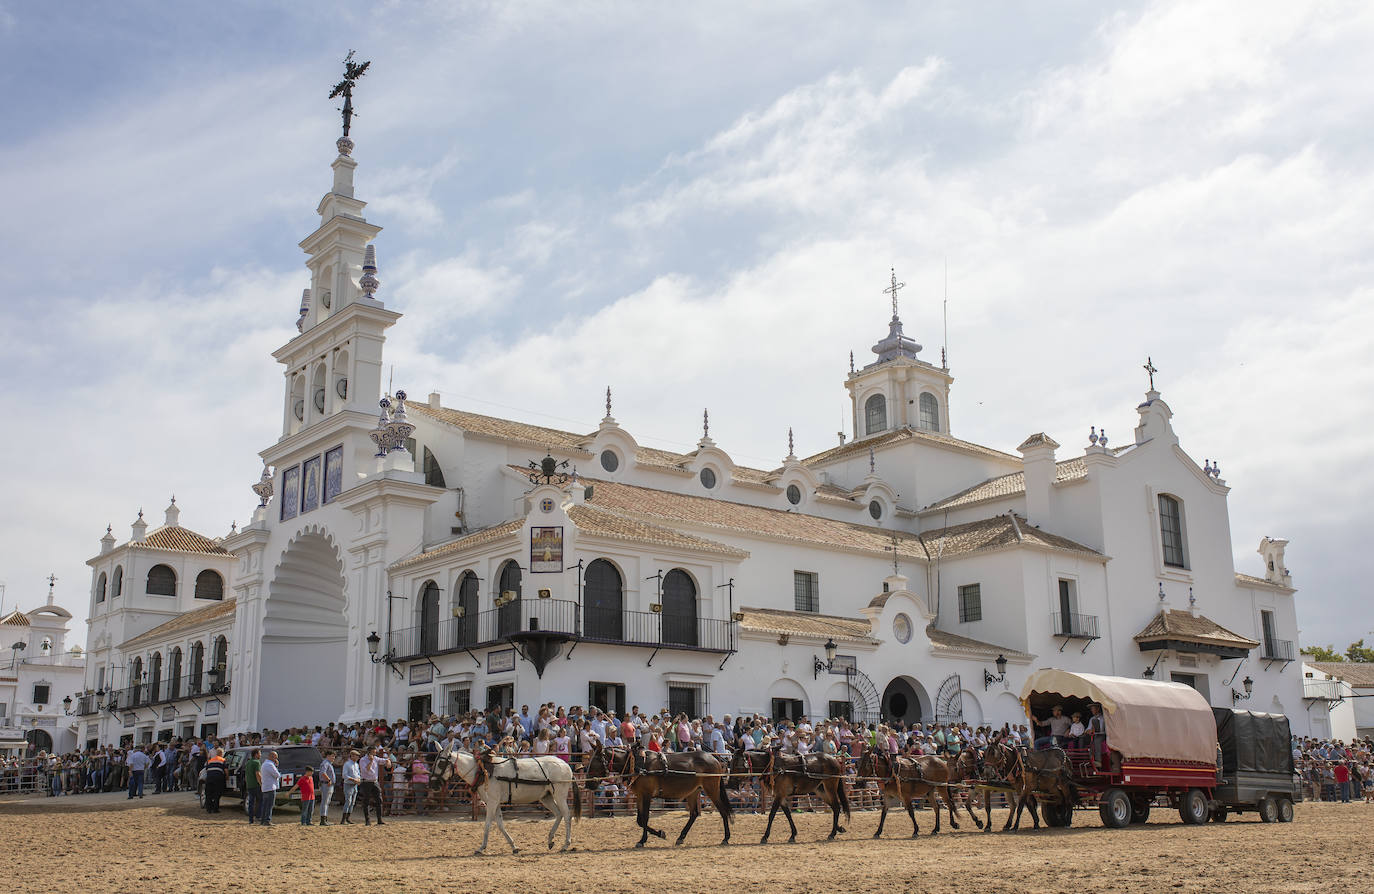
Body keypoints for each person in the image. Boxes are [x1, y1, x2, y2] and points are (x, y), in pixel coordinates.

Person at [358, 746, 388, 825]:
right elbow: (366, 770)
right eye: (373, 752)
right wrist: (371, 761)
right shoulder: (363, 760)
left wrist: (388, 761)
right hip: (366, 781)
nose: (375, 754)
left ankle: (379, 819)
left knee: (379, 800)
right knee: (366, 801)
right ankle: (367, 820)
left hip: (374, 781)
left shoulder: (375, 758)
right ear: (369, 752)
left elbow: (383, 760)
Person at [258, 751, 282, 826]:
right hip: (270, 787)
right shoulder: (270, 765)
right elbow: (277, 775)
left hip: (266, 787)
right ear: (271, 757)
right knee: (269, 805)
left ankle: (263, 820)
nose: (276, 759)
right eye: (275, 758)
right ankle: (267, 820)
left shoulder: (265, 764)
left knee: (265, 805)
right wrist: (277, 767)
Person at [340, 749, 361, 824]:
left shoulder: (356, 765)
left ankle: (348, 817)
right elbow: (345, 775)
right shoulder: (347, 764)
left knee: (352, 802)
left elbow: (358, 774)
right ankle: (344, 819)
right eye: (356, 756)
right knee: (348, 801)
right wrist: (354, 779)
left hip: (354, 784)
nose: (357, 757)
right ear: (352, 756)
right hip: (348, 784)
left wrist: (358, 779)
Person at [202, 748, 226, 813]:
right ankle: (215, 809)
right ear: (221, 754)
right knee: (217, 793)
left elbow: (206, 769)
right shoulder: (223, 760)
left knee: (209, 794)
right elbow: (226, 770)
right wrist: (227, 777)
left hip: (209, 778)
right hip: (218, 778)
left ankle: (209, 809)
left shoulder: (210, 760)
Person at [316, 753, 336, 826]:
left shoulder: (329, 764)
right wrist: (329, 779)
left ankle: (325, 818)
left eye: (334, 756)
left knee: (327, 802)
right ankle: (323, 819)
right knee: (325, 802)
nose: (333, 758)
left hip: (329, 784)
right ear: (328, 756)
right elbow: (323, 772)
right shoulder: (325, 763)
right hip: (326, 784)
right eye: (332, 756)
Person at [244, 749, 262, 824]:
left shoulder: (248, 762)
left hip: (249, 785)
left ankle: (251, 819)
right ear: (256, 754)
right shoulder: (257, 762)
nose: (260, 755)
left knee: (251, 802)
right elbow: (258, 774)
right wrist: (261, 784)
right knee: (260, 801)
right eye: (259, 753)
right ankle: (258, 816)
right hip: (256, 785)